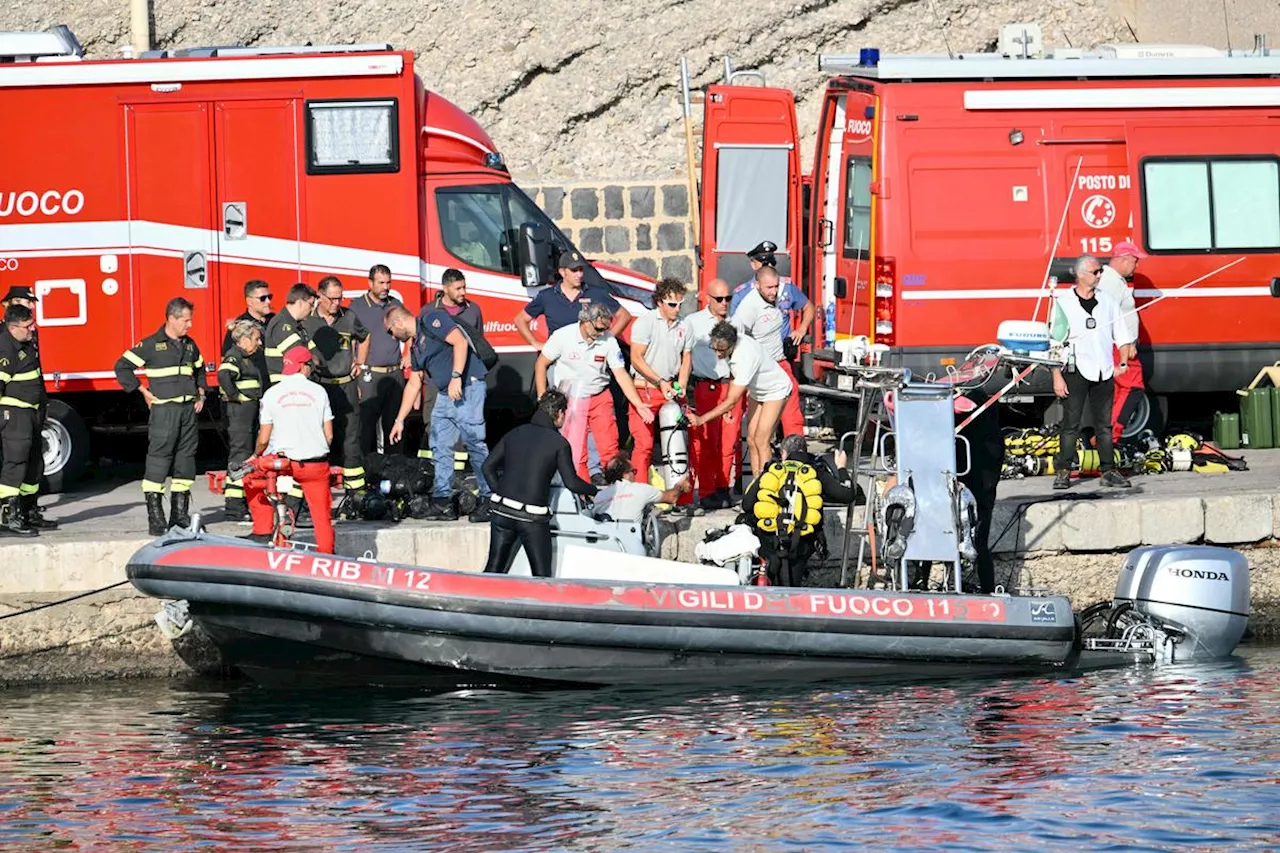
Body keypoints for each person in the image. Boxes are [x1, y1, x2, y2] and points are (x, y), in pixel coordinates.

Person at [386, 301, 492, 522]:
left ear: (398, 321)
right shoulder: (414, 347)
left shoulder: (431, 320)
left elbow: (460, 342)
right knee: (439, 444)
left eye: (391, 331)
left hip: (467, 386)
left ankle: (488, 498)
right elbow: (414, 384)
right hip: (445, 395)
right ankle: (442, 501)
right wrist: (400, 420)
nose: (392, 336)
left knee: (474, 442)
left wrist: (456, 377)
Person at [114, 297, 207, 536]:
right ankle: (156, 518)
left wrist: (201, 393)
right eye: (186, 320)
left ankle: (179, 516)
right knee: (159, 460)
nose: (190, 325)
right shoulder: (151, 344)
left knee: (185, 461)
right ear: (172, 319)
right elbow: (122, 366)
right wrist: (142, 391)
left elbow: (199, 367)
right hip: (165, 411)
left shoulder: (190, 345)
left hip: (187, 411)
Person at [481, 389, 597, 577]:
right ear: (559, 414)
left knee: (494, 569)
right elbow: (572, 483)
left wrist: (500, 491)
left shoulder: (515, 432)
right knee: (541, 576)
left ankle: (479, 601)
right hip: (531, 518)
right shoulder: (559, 443)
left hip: (502, 511)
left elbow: (487, 467)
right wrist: (594, 490)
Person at [534, 302, 654, 482]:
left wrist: (638, 404)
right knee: (576, 450)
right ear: (585, 321)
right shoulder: (562, 336)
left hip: (599, 396)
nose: (601, 334)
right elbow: (541, 364)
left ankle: (620, 492)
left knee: (610, 447)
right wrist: (543, 399)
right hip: (571, 398)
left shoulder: (608, 340)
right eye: (598, 329)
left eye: (605, 329)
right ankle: (583, 495)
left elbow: (620, 374)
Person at [1050, 254, 1135, 490]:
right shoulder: (1063, 303)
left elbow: (1123, 335)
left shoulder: (1108, 301)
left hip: (1104, 370)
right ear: (1080, 275)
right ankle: (1064, 471)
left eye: (1100, 272)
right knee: (1070, 425)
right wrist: (1057, 376)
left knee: (1104, 425)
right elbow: (1054, 343)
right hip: (1075, 369)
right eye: (1095, 272)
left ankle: (1108, 470)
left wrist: (1123, 364)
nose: (1099, 276)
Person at [245, 345, 335, 553]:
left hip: (283, 464)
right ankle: (327, 556)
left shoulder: (272, 393)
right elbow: (328, 435)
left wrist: (256, 456)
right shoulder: (319, 391)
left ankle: (263, 531)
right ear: (304, 366)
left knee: (249, 476)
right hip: (316, 463)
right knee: (322, 517)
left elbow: (264, 439)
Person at [742, 434, 859, 586]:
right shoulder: (815, 471)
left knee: (771, 584)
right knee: (793, 585)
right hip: (801, 542)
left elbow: (746, 505)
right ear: (805, 451)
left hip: (770, 539)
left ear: (784, 453)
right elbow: (847, 494)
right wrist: (841, 468)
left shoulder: (772, 470)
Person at [687, 322, 793, 486]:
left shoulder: (743, 358)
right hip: (758, 391)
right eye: (714, 348)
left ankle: (768, 489)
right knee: (751, 440)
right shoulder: (736, 339)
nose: (718, 354)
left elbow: (731, 402)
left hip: (776, 390)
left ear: (732, 344)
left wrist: (702, 419)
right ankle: (757, 486)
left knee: (761, 440)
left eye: (721, 350)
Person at [412, 269, 488, 484]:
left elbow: (478, 343)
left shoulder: (473, 310)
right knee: (434, 427)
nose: (463, 292)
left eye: (464, 287)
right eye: (458, 288)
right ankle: (433, 474)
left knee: (467, 428)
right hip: (437, 380)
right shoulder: (429, 311)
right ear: (445, 288)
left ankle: (463, 476)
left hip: (465, 380)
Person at [303, 276, 369, 511]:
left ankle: (356, 495)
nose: (336, 302)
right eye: (331, 298)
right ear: (319, 296)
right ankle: (319, 495)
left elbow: (365, 336)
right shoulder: (307, 322)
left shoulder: (348, 317)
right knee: (319, 440)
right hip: (319, 386)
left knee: (351, 439)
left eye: (340, 297)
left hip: (346, 385)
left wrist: (359, 363)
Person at [683, 278, 742, 509]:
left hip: (731, 385)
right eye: (719, 299)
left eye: (728, 298)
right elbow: (685, 356)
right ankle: (707, 491)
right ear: (707, 299)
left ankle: (723, 486)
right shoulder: (693, 322)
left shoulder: (736, 322)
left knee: (729, 442)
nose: (724, 303)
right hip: (706, 386)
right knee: (707, 441)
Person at [627, 277, 692, 481]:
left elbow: (687, 357)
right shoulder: (645, 322)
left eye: (680, 304)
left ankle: (681, 496)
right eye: (672, 304)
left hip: (671, 389)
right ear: (660, 302)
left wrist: (682, 383)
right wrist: (659, 381)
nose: (677, 309)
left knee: (679, 443)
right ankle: (640, 494)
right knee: (644, 445)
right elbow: (636, 358)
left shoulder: (685, 325)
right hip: (645, 389)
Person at [731, 266, 805, 437]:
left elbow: (808, 306)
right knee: (757, 436)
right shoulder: (748, 307)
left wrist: (801, 329)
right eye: (769, 288)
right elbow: (735, 337)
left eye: (776, 286)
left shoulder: (779, 296)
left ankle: (796, 456)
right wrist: (745, 371)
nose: (774, 292)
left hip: (780, 363)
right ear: (757, 285)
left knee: (792, 417)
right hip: (761, 370)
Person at [0, 304, 53, 536]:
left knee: (34, 463)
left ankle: (28, 511)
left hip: (33, 411)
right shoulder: (5, 348)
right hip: (16, 414)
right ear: (13, 328)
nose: (33, 328)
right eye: (27, 326)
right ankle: (8, 516)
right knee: (16, 463)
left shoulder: (27, 343)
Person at [514, 249, 630, 348]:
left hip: (588, 360)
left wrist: (606, 341)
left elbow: (624, 315)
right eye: (574, 270)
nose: (579, 274)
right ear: (563, 272)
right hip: (559, 360)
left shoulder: (596, 293)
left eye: (581, 270)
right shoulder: (547, 296)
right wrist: (536, 343)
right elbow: (520, 320)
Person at [350, 264, 408, 457]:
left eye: (388, 282)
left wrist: (407, 354)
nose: (385, 287)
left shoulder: (395, 304)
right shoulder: (357, 307)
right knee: (365, 429)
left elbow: (411, 330)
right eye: (381, 283)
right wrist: (354, 375)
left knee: (395, 427)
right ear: (370, 283)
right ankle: (366, 472)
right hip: (369, 376)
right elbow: (350, 341)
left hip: (394, 376)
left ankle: (394, 472)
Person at [217, 319, 266, 521]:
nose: (259, 343)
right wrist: (234, 395)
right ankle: (234, 505)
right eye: (255, 339)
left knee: (248, 455)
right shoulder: (235, 356)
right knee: (240, 454)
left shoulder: (247, 357)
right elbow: (223, 375)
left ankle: (242, 501)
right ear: (244, 340)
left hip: (248, 411)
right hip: (240, 413)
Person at [1098, 241, 1146, 443]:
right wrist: (1126, 344)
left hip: (1118, 346)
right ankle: (1110, 440)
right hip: (1120, 348)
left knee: (1118, 393)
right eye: (1135, 261)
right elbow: (1107, 317)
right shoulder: (1111, 282)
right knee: (1132, 388)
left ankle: (1102, 441)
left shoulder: (1113, 280)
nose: (1136, 266)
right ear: (1124, 259)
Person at [592, 452, 690, 522]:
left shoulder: (599, 496)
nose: (635, 475)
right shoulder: (640, 489)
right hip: (630, 543)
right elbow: (672, 497)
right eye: (633, 472)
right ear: (625, 474)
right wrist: (680, 485)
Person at [263, 283, 318, 384]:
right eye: (311, 304)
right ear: (300, 302)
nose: (311, 310)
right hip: (285, 387)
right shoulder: (281, 325)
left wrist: (314, 362)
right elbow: (300, 357)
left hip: (296, 385)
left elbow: (316, 356)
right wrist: (312, 363)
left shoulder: (297, 326)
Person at [221, 279, 274, 357]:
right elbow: (226, 357)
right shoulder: (239, 326)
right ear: (249, 301)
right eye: (262, 298)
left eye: (269, 297)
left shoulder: (275, 320)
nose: (268, 301)